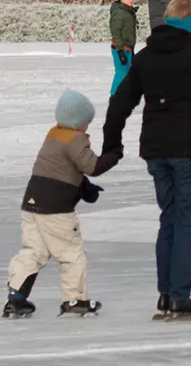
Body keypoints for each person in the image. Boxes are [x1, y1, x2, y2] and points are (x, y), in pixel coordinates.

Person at [103, 0, 191, 317]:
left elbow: (120, 102)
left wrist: (112, 142)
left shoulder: (145, 58)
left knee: (169, 218)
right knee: (185, 220)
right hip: (187, 148)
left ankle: (166, 294)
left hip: (155, 149)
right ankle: (179, 295)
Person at [5, 90, 120, 318]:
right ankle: (74, 299)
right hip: (56, 208)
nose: (87, 127)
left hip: (32, 202)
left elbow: (61, 169)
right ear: (78, 122)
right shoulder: (75, 139)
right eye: (87, 122)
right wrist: (113, 155)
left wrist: (84, 187)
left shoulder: (53, 135)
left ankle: (16, 298)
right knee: (71, 252)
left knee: (33, 251)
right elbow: (91, 166)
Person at [109, 0, 139, 95]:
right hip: (120, 48)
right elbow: (116, 32)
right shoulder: (119, 13)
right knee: (121, 73)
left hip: (128, 48)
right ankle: (114, 96)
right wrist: (120, 51)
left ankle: (122, 97)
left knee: (126, 74)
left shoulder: (128, 12)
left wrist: (131, 50)